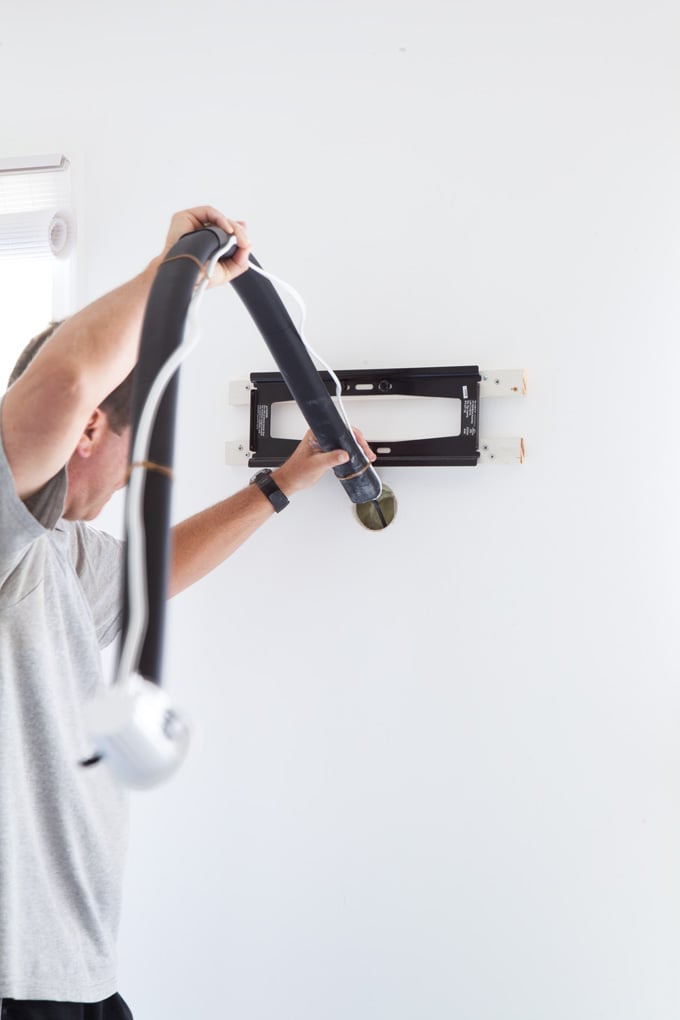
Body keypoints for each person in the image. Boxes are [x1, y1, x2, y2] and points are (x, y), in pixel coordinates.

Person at [0, 206, 375, 1020]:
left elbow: (153, 569)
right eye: (135, 458)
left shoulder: (59, 554)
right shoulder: (5, 532)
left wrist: (280, 485)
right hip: (14, 981)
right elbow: (62, 384)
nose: (134, 481)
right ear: (91, 426)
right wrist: (172, 268)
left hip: (75, 968)